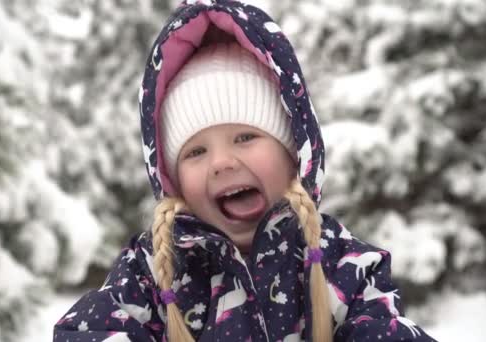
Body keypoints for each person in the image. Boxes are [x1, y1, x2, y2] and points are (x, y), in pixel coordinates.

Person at [53, 1, 437, 341]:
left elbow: (379, 327)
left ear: (293, 153)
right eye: (196, 151)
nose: (221, 162)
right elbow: (94, 329)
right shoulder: (150, 273)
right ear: (173, 180)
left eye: (245, 137)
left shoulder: (340, 264)